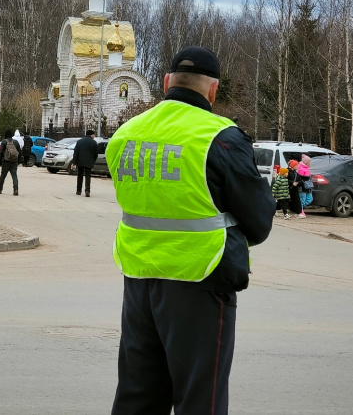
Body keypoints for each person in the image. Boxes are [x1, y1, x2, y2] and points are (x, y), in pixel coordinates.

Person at [106, 46, 274, 415]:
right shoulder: (220, 136)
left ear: (166, 83)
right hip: (201, 276)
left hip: (138, 278)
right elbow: (259, 221)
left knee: (138, 393)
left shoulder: (125, 135)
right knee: (200, 399)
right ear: (212, 91)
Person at [0, 129, 21, 196]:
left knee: (3, 176)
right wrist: (18, 161)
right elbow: (20, 152)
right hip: (14, 161)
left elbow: (1, 153)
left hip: (6, 161)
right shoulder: (16, 142)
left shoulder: (4, 142)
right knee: (14, 176)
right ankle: (16, 189)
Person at [73, 129, 97, 197]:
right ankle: (87, 190)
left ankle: (78, 190)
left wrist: (74, 162)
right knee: (88, 176)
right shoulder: (94, 143)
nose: (94, 136)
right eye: (94, 135)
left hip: (80, 162)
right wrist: (93, 161)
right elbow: (96, 154)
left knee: (80, 176)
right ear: (91, 135)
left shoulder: (80, 142)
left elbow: (76, 152)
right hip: (89, 162)